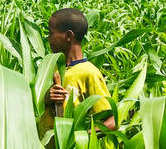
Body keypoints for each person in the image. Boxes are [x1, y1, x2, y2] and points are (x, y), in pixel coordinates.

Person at [42, 8, 114, 136]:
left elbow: (112, 122)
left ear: (68, 36)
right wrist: (46, 99)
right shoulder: (50, 68)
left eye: (51, 33)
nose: (48, 38)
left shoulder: (89, 73)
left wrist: (80, 138)